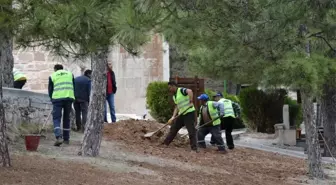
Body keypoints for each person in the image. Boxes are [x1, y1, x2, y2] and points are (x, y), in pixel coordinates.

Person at [163, 81, 198, 152]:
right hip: (181, 114)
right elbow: (177, 107)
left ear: (173, 86)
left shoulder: (181, 90)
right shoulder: (174, 96)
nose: (169, 89)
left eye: (170, 87)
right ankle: (165, 143)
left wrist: (191, 101)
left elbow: (190, 91)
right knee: (174, 128)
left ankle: (194, 149)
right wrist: (173, 116)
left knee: (191, 131)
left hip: (189, 113)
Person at [48, 64, 75, 146]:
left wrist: (52, 99)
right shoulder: (70, 74)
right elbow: (74, 86)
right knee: (67, 118)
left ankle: (58, 137)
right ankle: (66, 139)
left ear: (55, 69)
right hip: (69, 98)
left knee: (56, 118)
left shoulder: (53, 75)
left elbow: (50, 90)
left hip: (57, 99)